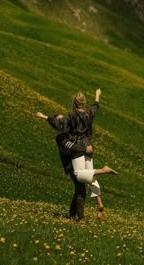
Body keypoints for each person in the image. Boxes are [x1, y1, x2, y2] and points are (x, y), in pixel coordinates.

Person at [36, 88, 116, 220]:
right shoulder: (89, 115)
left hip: (79, 151)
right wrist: (97, 95)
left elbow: (59, 123)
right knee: (90, 179)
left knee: (80, 176)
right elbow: (95, 107)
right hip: (88, 148)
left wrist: (44, 116)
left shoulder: (71, 117)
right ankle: (95, 206)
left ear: (73, 103)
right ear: (84, 103)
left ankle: (103, 170)